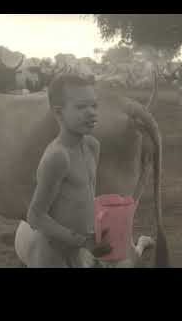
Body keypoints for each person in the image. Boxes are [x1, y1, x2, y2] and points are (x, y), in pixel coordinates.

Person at [14, 74, 112, 267]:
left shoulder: (92, 146)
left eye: (94, 106)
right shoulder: (58, 157)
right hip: (51, 253)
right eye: (81, 107)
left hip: (79, 250)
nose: (91, 113)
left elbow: (85, 196)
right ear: (59, 113)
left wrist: (95, 230)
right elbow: (35, 216)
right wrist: (82, 241)